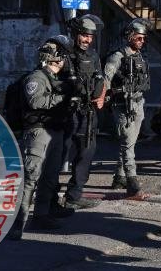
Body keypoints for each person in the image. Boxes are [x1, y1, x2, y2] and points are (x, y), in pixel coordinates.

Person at [8, 36, 76, 240]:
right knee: (31, 177)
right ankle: (18, 222)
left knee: (50, 177)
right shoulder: (36, 77)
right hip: (38, 132)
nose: (64, 61)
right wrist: (64, 97)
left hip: (55, 131)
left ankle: (41, 215)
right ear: (53, 58)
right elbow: (36, 101)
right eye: (61, 56)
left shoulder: (57, 80)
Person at [58, 14, 104, 210]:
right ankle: (48, 197)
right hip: (65, 113)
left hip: (88, 113)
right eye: (84, 35)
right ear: (76, 34)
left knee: (86, 153)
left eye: (90, 36)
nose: (87, 40)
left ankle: (74, 196)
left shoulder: (93, 56)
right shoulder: (63, 53)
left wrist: (101, 95)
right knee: (58, 155)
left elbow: (100, 78)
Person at [103, 19, 152, 197]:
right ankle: (132, 183)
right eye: (138, 38)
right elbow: (106, 77)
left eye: (143, 39)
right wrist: (104, 96)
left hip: (138, 103)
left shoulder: (138, 56)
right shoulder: (118, 56)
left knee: (130, 142)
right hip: (123, 105)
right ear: (130, 36)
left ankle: (119, 177)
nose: (141, 41)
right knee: (127, 144)